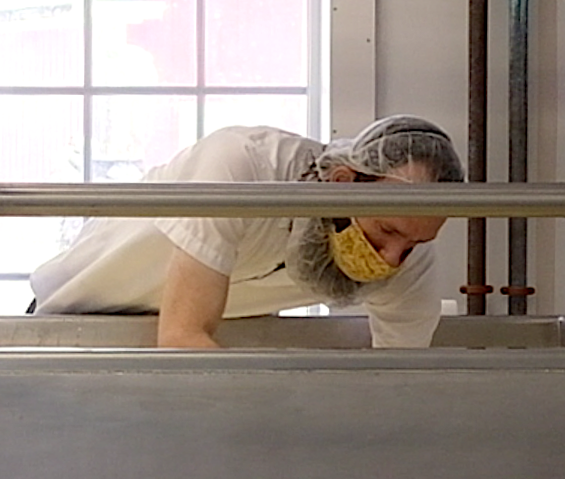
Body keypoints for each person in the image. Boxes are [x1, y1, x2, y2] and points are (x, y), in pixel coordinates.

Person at [29, 116, 465, 349]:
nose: (392, 258)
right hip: (65, 324)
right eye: (387, 230)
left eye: (413, 244)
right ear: (343, 183)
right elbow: (182, 337)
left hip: (183, 352)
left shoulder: (408, 257)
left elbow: (400, 380)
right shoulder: (243, 167)